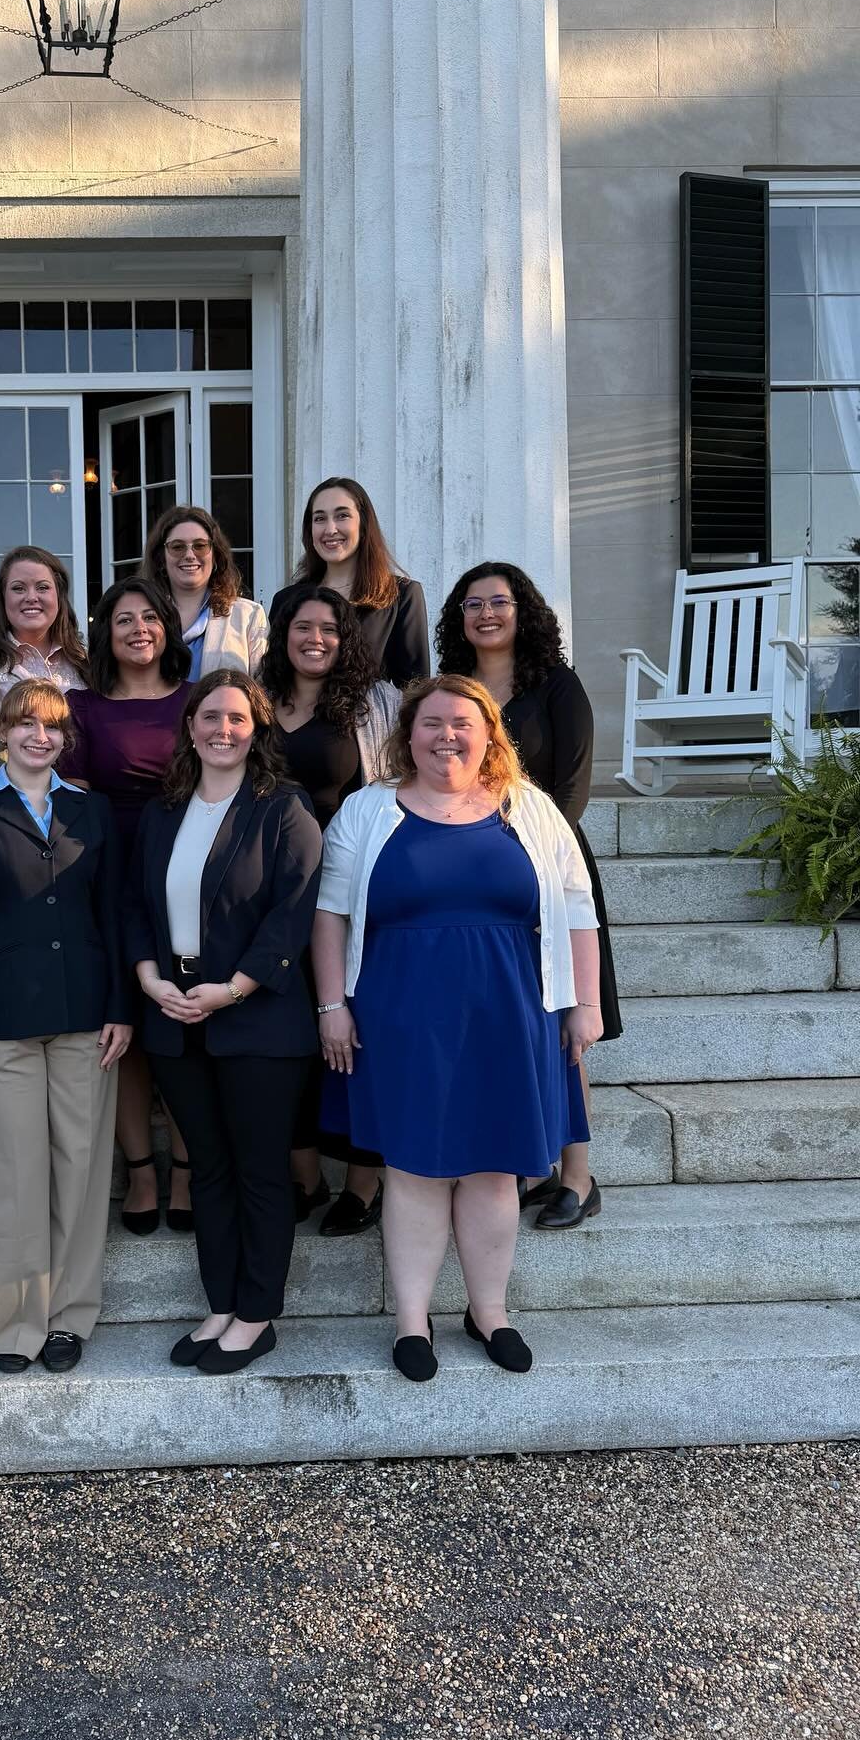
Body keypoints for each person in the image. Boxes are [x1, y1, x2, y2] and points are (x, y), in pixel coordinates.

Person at [313, 675, 601, 1383]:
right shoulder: (367, 809)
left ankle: (489, 1312)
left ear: (489, 736)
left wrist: (584, 1004)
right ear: (406, 736)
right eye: (432, 722)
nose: (447, 734)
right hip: (400, 1013)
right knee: (411, 1169)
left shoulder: (529, 809)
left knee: (495, 1169)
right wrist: (331, 1006)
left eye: (463, 723)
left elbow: (576, 908)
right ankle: (413, 1320)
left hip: (512, 1011)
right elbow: (331, 916)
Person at [127, 672, 323, 1375]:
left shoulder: (284, 808)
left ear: (256, 728)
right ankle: (222, 1302)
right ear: (189, 727)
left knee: (259, 1171)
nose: (223, 729)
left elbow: (291, 914)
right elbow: (135, 906)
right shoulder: (163, 812)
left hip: (258, 1018)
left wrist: (231, 990)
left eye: (238, 718)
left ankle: (257, 1313)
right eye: (210, 716)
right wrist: (150, 978)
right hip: (175, 1015)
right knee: (206, 1168)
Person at [0, 680, 132, 1374]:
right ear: (2, 732)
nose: (38, 736)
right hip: (1, 1024)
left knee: (79, 1170)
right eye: (25, 723)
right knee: (9, 1176)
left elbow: (115, 913)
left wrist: (120, 1005)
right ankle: (15, 1323)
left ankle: (69, 1317)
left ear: (64, 737)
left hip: (87, 1017)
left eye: (51, 726)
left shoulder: (93, 811)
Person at [436, 562, 622, 1229]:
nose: (486, 613)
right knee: (507, 1027)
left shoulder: (557, 687)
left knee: (563, 1027)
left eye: (500, 602)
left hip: (548, 870)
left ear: (525, 612)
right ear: (458, 618)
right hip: (473, 880)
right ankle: (523, 1165)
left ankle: (577, 1176)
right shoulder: (452, 690)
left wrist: (527, 858)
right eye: (472, 604)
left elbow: (571, 792)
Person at [258, 586, 397, 1235]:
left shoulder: (375, 707)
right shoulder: (258, 703)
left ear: (347, 641)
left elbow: (396, 794)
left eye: (330, 629)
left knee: (356, 1031)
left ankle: (362, 1185)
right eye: (303, 626)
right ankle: (305, 1176)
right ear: (282, 633)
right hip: (271, 891)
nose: (316, 638)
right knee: (287, 1035)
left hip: (350, 889)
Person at [62, 576, 194, 1235]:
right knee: (128, 1033)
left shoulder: (198, 700)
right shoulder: (81, 706)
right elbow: (75, 797)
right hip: (110, 874)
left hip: (192, 873)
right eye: (123, 620)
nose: (138, 628)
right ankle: (142, 1169)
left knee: (186, 1026)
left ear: (168, 628)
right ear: (105, 636)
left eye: (149, 617)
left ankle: (191, 1169)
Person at [269, 476, 430, 692]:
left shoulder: (402, 595)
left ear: (364, 525)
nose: (330, 529)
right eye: (319, 519)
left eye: (342, 515)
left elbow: (414, 689)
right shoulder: (286, 600)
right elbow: (275, 677)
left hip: (371, 723)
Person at [143, 504, 268, 679]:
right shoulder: (142, 618)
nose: (189, 555)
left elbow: (262, 692)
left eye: (200, 546)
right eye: (177, 547)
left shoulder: (248, 616)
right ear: (161, 558)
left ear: (215, 555)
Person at [0, 545, 88, 707]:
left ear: (59, 595)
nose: (31, 597)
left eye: (42, 587)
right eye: (18, 588)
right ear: (3, 598)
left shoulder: (83, 660)